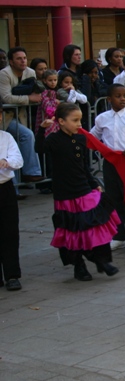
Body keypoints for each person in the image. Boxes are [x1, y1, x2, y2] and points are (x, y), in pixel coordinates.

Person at [45, 103, 120, 281]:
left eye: (80, 120)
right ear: (61, 121)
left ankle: (102, 260)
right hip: (65, 193)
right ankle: (79, 265)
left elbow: (84, 166)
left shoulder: (80, 140)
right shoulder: (54, 140)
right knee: (72, 230)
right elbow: (40, 148)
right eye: (75, 120)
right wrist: (42, 131)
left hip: (83, 189)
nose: (79, 124)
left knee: (93, 225)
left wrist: (93, 182)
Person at [91, 84, 125, 255]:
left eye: (124, 96)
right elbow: (94, 136)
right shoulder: (102, 119)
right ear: (109, 99)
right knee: (113, 200)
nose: (122, 99)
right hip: (110, 164)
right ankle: (119, 236)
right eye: (118, 96)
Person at [0, 47, 44, 184]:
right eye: (19, 58)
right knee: (26, 135)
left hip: (22, 115)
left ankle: (23, 181)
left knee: (16, 147)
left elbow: (36, 92)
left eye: (24, 58)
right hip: (5, 117)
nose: (23, 61)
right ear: (11, 62)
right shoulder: (4, 74)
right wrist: (28, 98)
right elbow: (6, 97)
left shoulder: (30, 72)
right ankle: (32, 172)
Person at [0, 104, 24, 291]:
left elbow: (18, 160)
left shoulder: (6, 138)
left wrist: (6, 162)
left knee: (9, 231)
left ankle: (12, 275)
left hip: (4, 188)